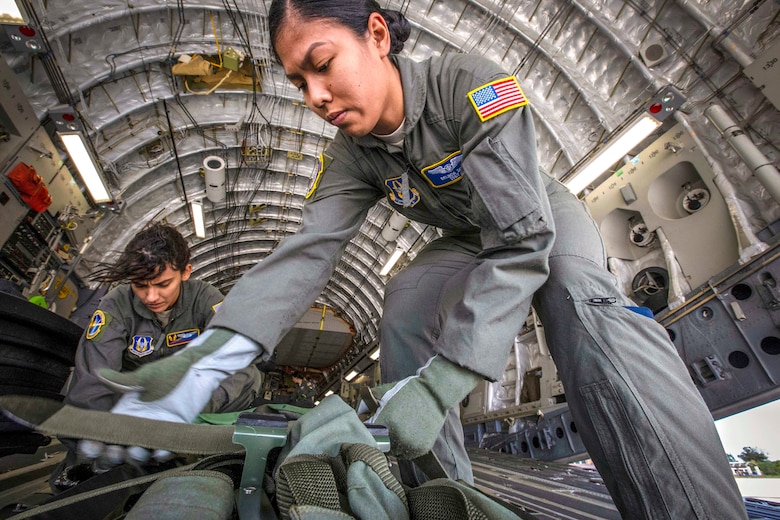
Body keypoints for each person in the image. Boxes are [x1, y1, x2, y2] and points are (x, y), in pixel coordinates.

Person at [94, 3, 747, 518]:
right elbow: (306, 252)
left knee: (578, 295)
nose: (315, 96)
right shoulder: (352, 155)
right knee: (405, 296)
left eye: (323, 64)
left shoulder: (477, 86)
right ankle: (441, 498)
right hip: (467, 234)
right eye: (299, 82)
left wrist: (440, 384)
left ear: (376, 34)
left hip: (534, 212)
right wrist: (207, 363)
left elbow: (523, 240)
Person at [55, 222, 264, 484]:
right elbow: (95, 376)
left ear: (185, 272)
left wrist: (188, 405)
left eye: (163, 284)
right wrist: (97, 440)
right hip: (134, 401)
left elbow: (236, 363)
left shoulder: (205, 299)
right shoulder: (115, 304)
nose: (151, 296)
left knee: (248, 376)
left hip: (192, 397)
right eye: (140, 285)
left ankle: (201, 450)